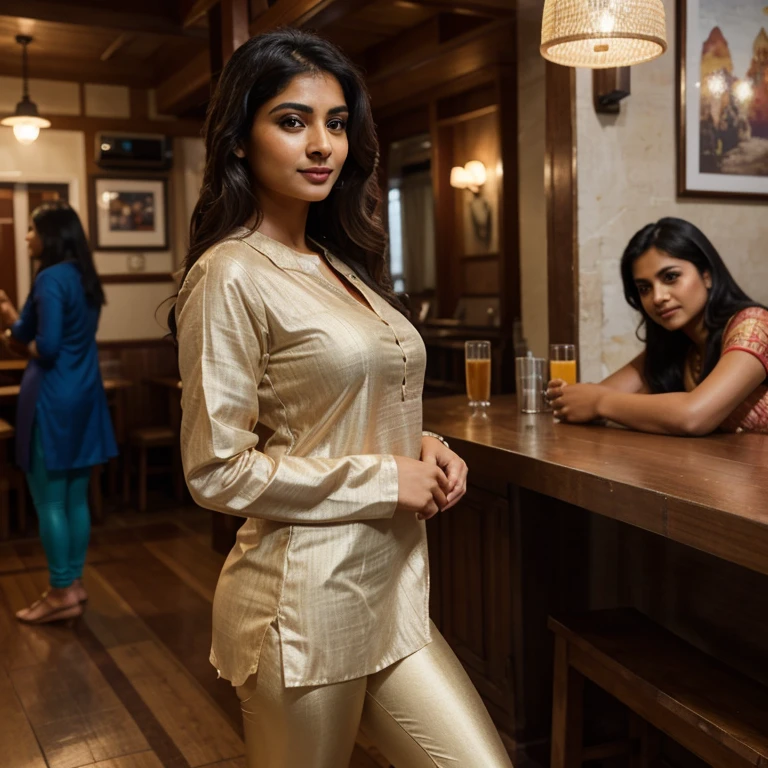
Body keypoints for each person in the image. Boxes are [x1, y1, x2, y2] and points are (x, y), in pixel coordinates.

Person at [171, 29, 513, 768]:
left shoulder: (339, 263)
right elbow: (217, 471)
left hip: (392, 593)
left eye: (335, 122)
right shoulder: (230, 274)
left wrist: (426, 448)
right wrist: (391, 479)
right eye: (293, 121)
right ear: (238, 140)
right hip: (303, 606)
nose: (322, 142)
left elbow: (362, 400)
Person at [0, 201, 117, 623]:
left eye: (31, 230)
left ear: (49, 235)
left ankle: (59, 590)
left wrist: (14, 326)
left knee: (48, 499)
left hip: (51, 395)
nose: (27, 237)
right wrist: (15, 318)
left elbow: (45, 347)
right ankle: (75, 582)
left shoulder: (49, 278)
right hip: (86, 392)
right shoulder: (84, 278)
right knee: (74, 496)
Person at [547, 217, 768, 434]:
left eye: (670, 277)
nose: (658, 297)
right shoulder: (679, 344)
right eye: (644, 288)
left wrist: (599, 402)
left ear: (706, 275)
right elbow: (596, 398)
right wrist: (573, 397)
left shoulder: (754, 325)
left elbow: (694, 415)